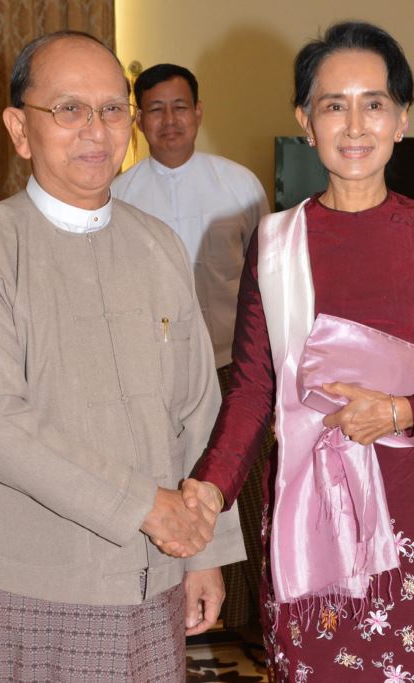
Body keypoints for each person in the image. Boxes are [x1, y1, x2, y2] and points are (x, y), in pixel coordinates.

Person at [187, 21, 414, 682]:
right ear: (306, 121)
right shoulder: (275, 245)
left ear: (400, 119)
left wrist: (399, 411)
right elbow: (251, 389)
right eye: (334, 104)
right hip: (310, 505)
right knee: (315, 662)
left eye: (375, 103)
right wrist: (210, 490)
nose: (355, 124)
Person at [0, 31, 245, 682]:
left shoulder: (157, 245)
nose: (95, 129)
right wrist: (145, 506)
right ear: (20, 129)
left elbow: (196, 408)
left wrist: (206, 549)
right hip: (42, 584)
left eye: (111, 108)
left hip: (156, 574)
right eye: (68, 109)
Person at [111, 63, 270, 636]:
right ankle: (166, 611)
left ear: (199, 113)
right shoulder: (120, 192)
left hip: (233, 363)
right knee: (167, 485)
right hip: (154, 369)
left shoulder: (239, 184)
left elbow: (265, 279)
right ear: (138, 121)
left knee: (243, 487)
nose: (169, 120)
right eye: (155, 109)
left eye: (180, 107)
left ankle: (253, 621)